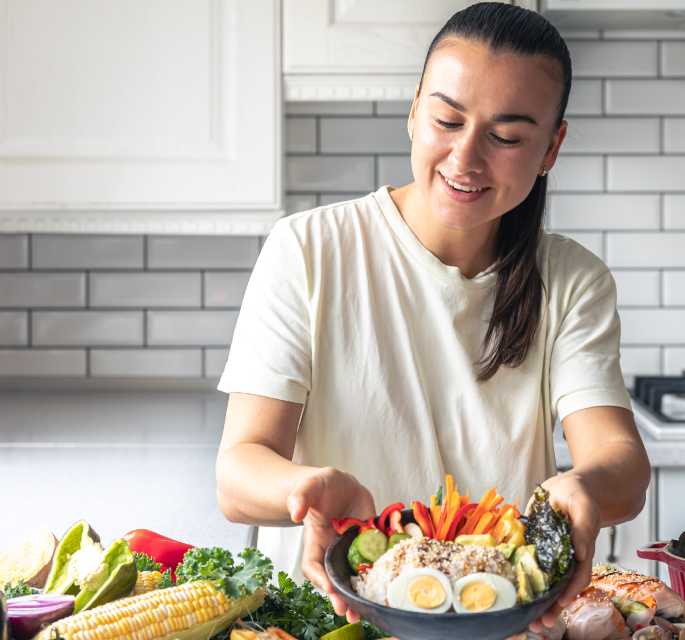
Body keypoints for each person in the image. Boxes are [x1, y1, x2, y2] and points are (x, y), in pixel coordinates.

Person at [214, 2, 651, 634]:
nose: (466, 158)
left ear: (552, 146)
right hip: (327, 619)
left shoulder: (572, 278)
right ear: (414, 110)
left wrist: (581, 488)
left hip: (496, 619)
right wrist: (308, 486)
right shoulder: (309, 249)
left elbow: (619, 463)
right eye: (447, 119)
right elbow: (237, 472)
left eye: (506, 136)